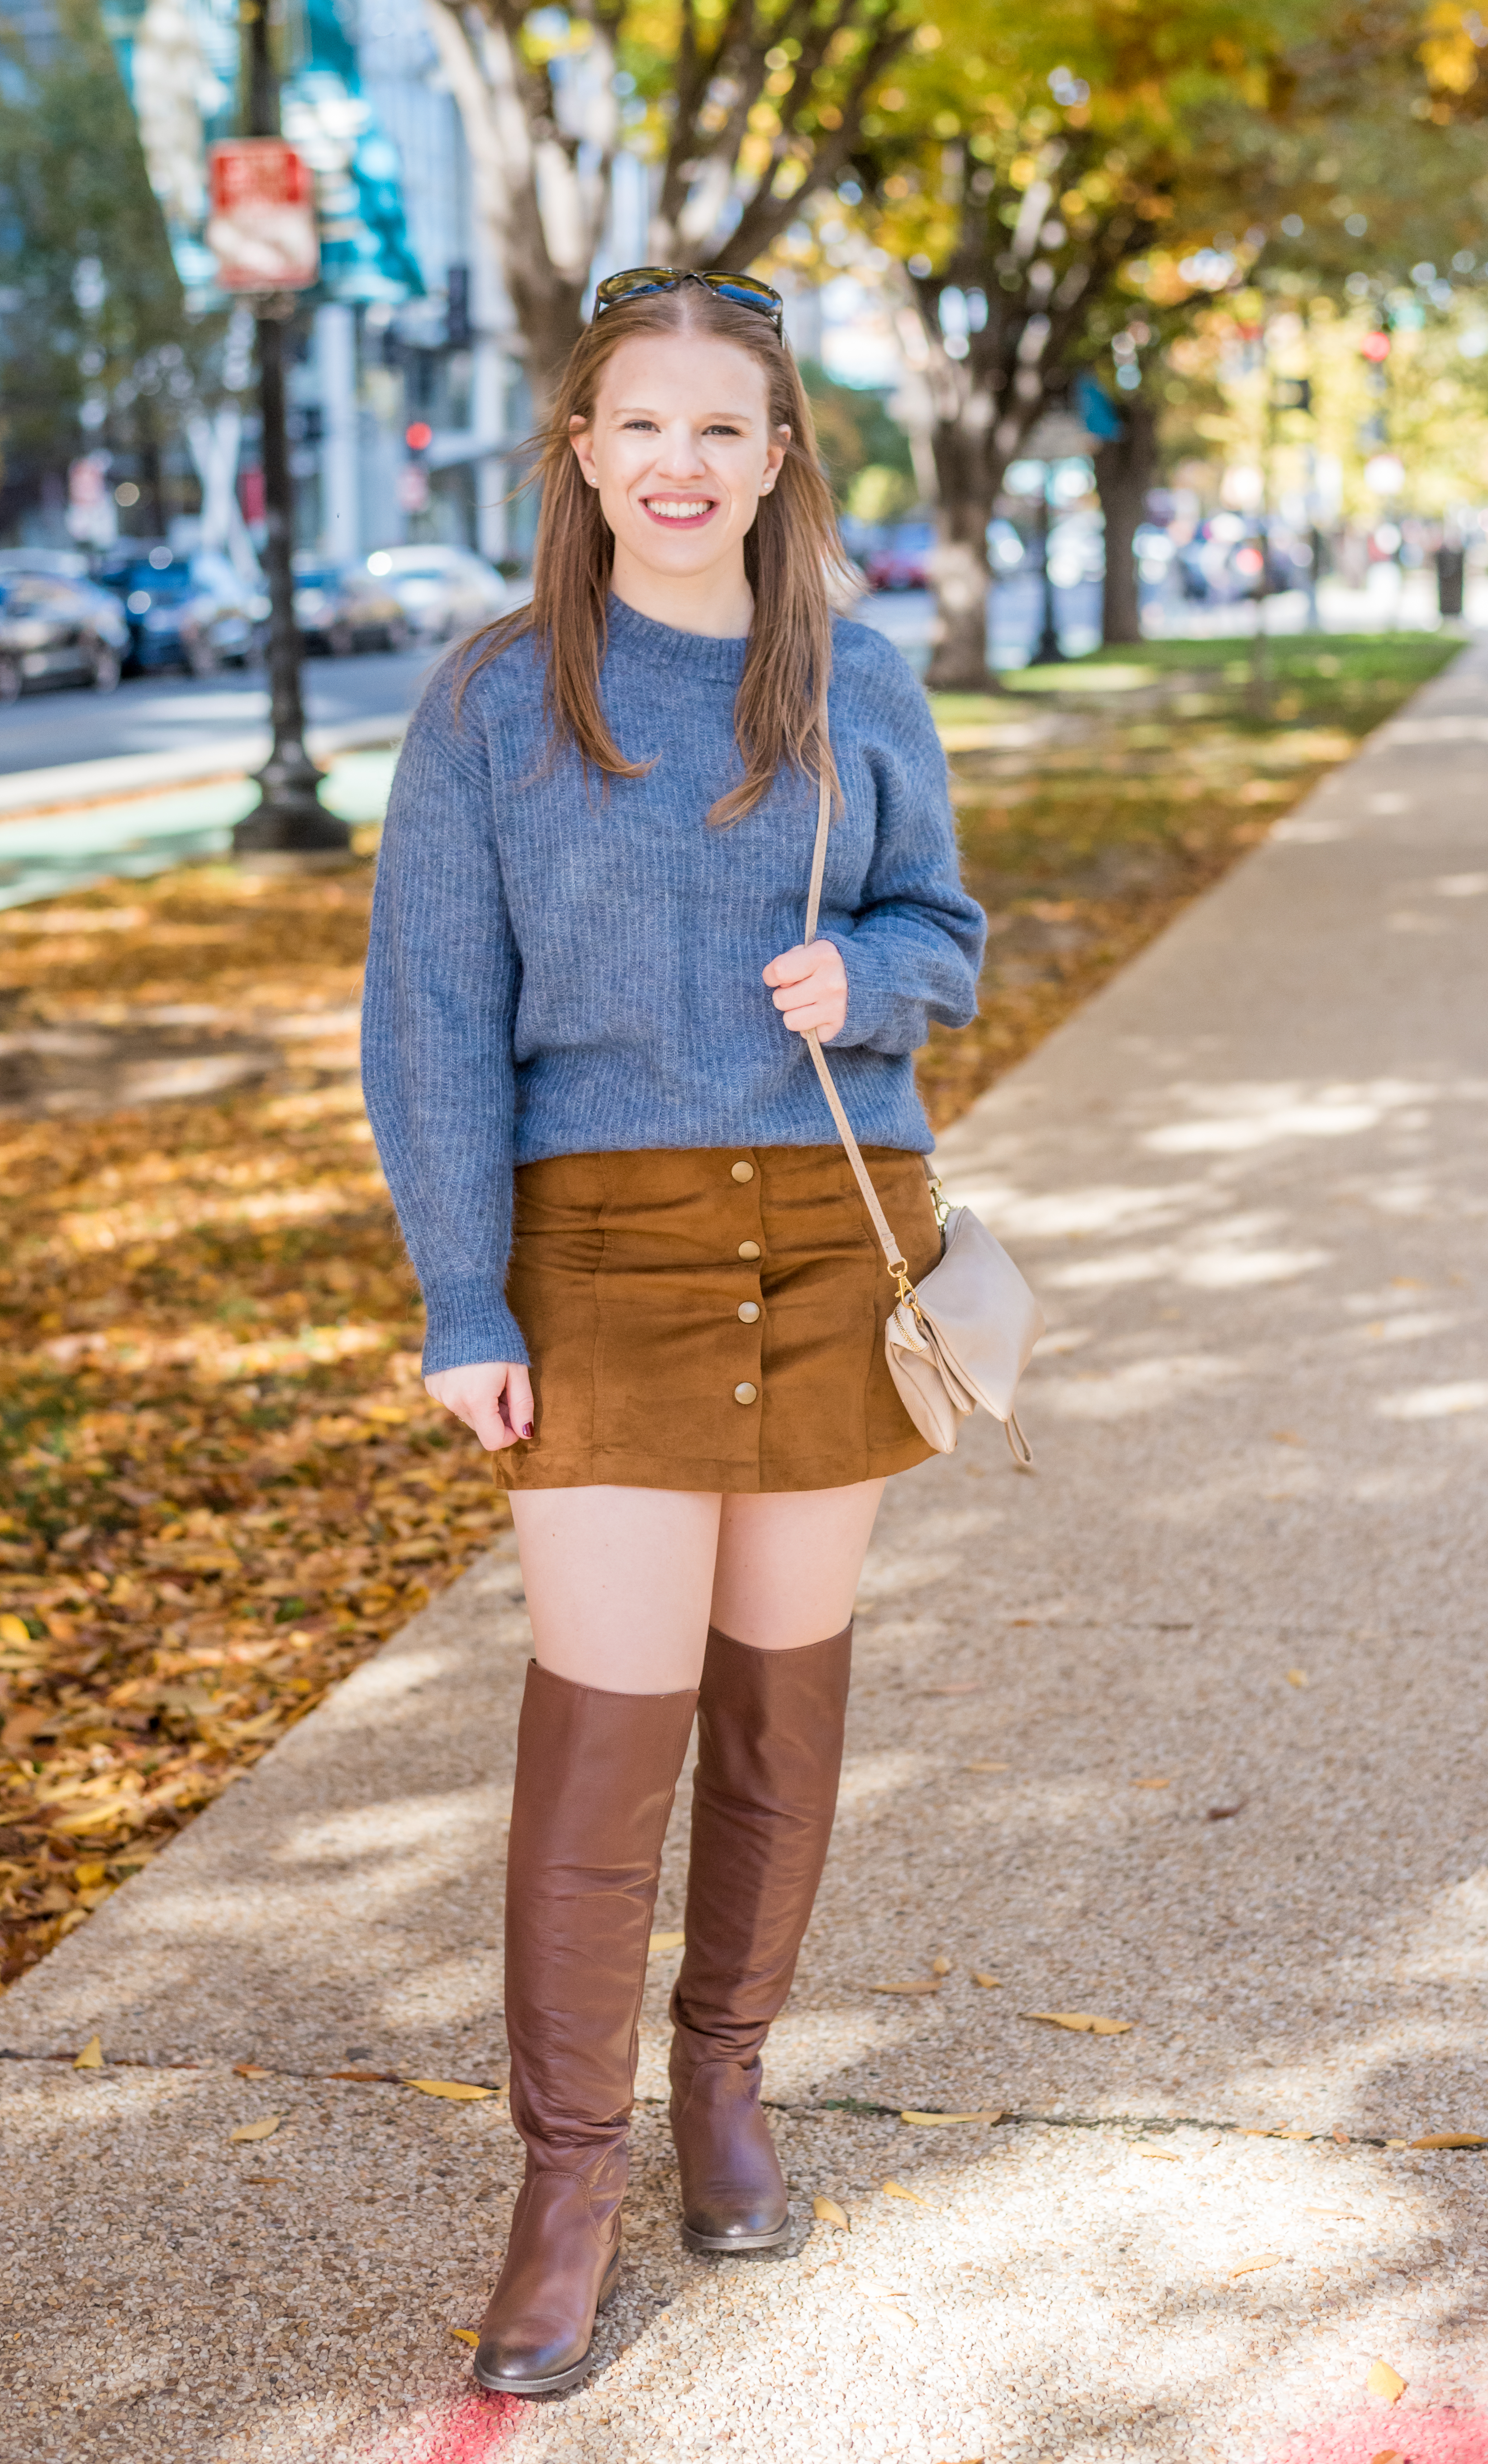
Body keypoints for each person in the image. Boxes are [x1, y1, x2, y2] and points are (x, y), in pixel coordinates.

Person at [360, 266, 986, 2398]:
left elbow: (951, 935)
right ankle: (566, 2175)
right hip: (599, 1253)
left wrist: (868, 978)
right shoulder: (495, 701)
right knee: (602, 1733)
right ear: (579, 450)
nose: (681, 464)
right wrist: (464, 1299)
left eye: (726, 428)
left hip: (830, 1229)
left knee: (780, 1711)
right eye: (643, 424)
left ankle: (726, 2089)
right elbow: (430, 1030)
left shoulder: (856, 678)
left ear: (782, 456)